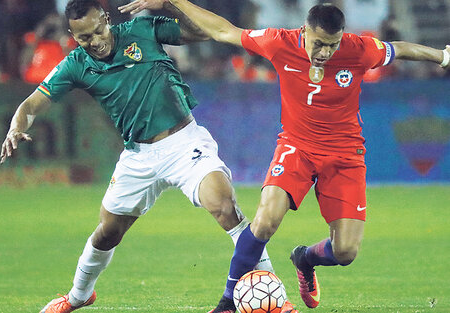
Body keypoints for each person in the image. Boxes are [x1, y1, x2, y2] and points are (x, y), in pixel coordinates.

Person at [127, 0, 450, 312]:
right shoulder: (279, 42)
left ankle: (305, 259)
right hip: (297, 147)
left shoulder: (360, 49)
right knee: (266, 221)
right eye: (320, 44)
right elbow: (224, 31)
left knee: (346, 251)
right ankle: (228, 301)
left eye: (332, 45)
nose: (325, 52)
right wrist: (176, 1)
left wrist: (442, 56)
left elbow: (401, 48)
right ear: (305, 32)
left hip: (344, 155)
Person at [0, 0, 286, 312]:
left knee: (224, 205)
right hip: (138, 157)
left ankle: (273, 296)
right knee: (107, 232)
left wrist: (170, 4)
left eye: (98, 30)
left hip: (184, 144)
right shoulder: (76, 65)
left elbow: (201, 31)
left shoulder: (141, 30)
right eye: (84, 38)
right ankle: (79, 295)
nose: (95, 41)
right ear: (72, 34)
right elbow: (30, 104)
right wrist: (16, 127)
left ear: (106, 18)